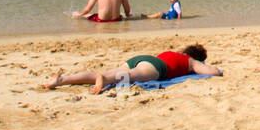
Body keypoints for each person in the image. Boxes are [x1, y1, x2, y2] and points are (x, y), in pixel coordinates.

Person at [44, 44, 221, 95]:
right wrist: (214, 68)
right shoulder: (190, 61)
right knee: (126, 76)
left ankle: (62, 79)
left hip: (142, 58)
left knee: (107, 72)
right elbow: (212, 72)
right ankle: (105, 81)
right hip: (157, 67)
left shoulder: (170, 53)